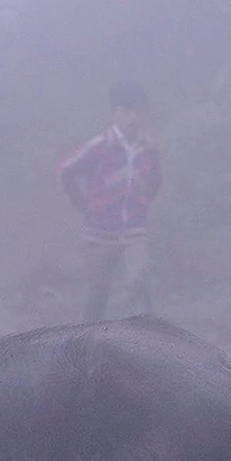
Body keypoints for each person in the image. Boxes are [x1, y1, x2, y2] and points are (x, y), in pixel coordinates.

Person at [58, 80, 162, 321]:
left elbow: (156, 179)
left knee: (139, 281)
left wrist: (143, 201)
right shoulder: (99, 146)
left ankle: (145, 339)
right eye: (126, 111)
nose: (133, 117)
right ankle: (88, 341)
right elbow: (64, 171)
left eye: (138, 111)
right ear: (114, 113)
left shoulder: (148, 148)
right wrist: (83, 205)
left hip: (135, 230)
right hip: (100, 231)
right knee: (97, 290)